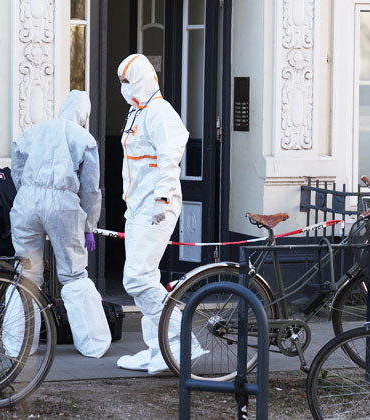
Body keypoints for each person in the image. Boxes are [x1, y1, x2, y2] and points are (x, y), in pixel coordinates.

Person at [115, 54, 205, 373]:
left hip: (155, 205)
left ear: (142, 78)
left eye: (128, 81)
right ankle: (159, 348)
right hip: (137, 205)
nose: (124, 88)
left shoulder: (159, 112)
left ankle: (183, 342)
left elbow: (170, 158)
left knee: (137, 278)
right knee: (146, 277)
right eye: (121, 83)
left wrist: (162, 198)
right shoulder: (136, 113)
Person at [8, 90, 111, 358]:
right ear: (84, 113)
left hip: (26, 201)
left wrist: (25, 191)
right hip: (62, 204)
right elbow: (90, 188)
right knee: (74, 274)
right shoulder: (84, 138)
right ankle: (93, 343)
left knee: (26, 274)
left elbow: (17, 163)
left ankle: (18, 343)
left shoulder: (35, 131)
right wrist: (89, 224)